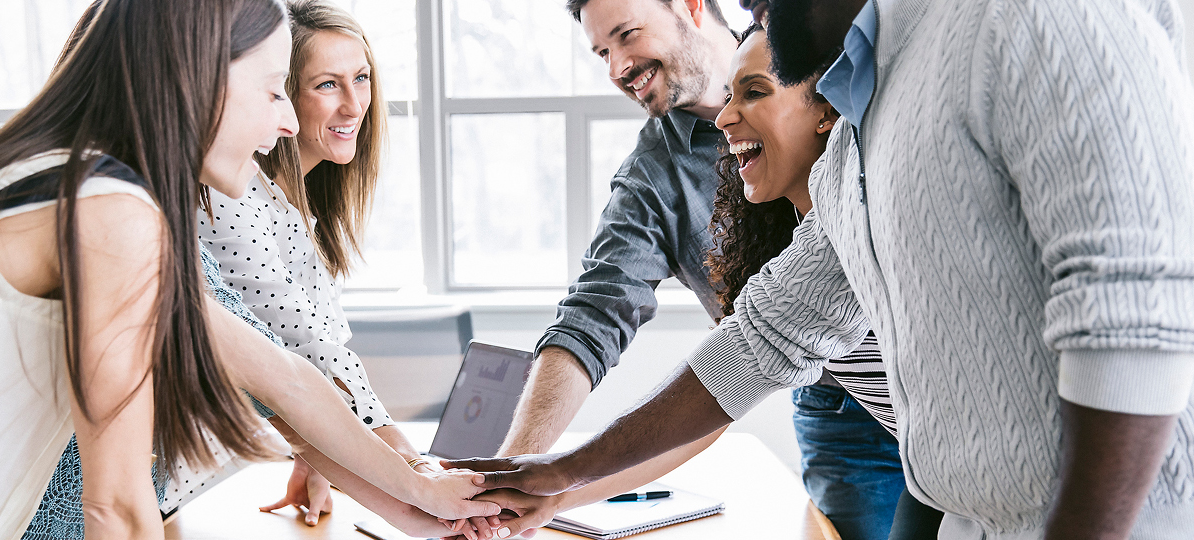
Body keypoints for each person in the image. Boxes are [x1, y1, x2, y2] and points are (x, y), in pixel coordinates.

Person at [451, 0, 1194, 538]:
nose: (749, 11)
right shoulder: (863, 123)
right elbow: (758, 344)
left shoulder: (1025, 19)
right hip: (971, 509)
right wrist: (561, 470)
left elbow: (1135, 321)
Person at [0, 2, 498, 539]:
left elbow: (278, 373)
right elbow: (116, 508)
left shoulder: (80, 183)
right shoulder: (112, 212)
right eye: (275, 89)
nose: (282, 123)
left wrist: (421, 502)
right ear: (200, 76)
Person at [495, 1, 903, 538]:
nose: (617, 68)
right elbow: (728, 365)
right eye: (601, 52)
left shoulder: (850, 126)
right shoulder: (658, 178)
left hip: (929, 387)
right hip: (841, 398)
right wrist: (525, 481)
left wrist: (556, 477)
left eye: (626, 34)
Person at [198, 0, 434, 529]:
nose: (355, 105)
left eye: (362, 78)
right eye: (327, 85)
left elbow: (316, 346)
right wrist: (411, 466)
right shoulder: (234, 195)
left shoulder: (298, 204)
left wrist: (322, 457)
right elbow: (300, 343)